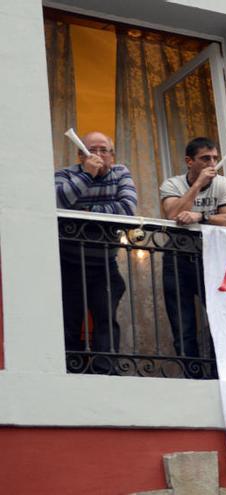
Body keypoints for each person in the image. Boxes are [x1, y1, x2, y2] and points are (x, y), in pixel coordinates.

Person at [55, 131, 137, 371]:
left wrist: (85, 212)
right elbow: (56, 203)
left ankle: (105, 371)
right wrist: (87, 175)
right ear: (81, 155)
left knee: (106, 320)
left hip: (104, 264)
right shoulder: (64, 175)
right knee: (69, 320)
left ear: (112, 155)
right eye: (92, 150)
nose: (99, 155)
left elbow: (127, 209)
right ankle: (71, 369)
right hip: (68, 263)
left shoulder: (120, 173)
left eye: (104, 150)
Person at [159, 137, 226, 362]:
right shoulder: (172, 184)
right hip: (177, 259)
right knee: (183, 324)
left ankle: (217, 372)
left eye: (214, 158)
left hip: (212, 258)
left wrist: (201, 216)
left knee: (218, 319)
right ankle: (191, 374)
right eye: (205, 159)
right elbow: (173, 214)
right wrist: (197, 185)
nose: (212, 163)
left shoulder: (223, 184)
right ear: (189, 161)